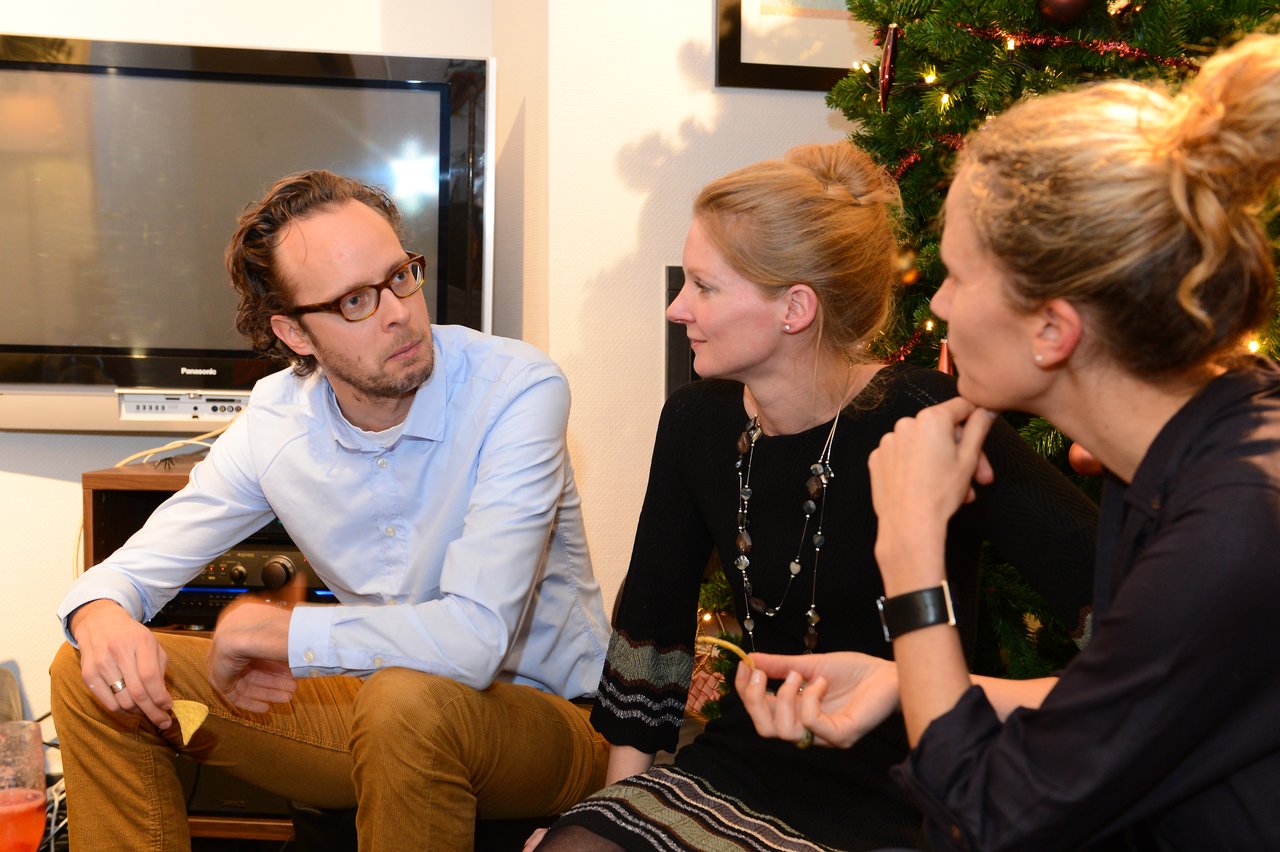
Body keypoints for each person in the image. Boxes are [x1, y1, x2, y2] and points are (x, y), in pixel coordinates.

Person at [739, 33, 1280, 851]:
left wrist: (911, 549)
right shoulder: (1185, 453)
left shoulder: (1237, 524)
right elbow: (1129, 709)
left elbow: (989, 818)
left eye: (956, 275)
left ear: (1053, 329)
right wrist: (903, 680)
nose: (940, 308)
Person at [531, 142, 1098, 851]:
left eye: (704, 287)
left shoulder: (928, 415)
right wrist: (609, 813)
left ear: (795, 308)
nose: (679, 308)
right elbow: (655, 623)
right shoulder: (697, 420)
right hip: (745, 756)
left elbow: (1118, 593)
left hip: (908, 778)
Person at [49, 170, 611, 850]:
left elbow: (474, 640)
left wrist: (284, 636)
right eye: (354, 302)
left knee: (404, 700)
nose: (398, 311)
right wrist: (101, 614)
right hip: (370, 717)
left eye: (400, 276)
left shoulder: (517, 391)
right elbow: (133, 571)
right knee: (87, 674)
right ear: (295, 334)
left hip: (547, 728)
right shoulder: (275, 423)